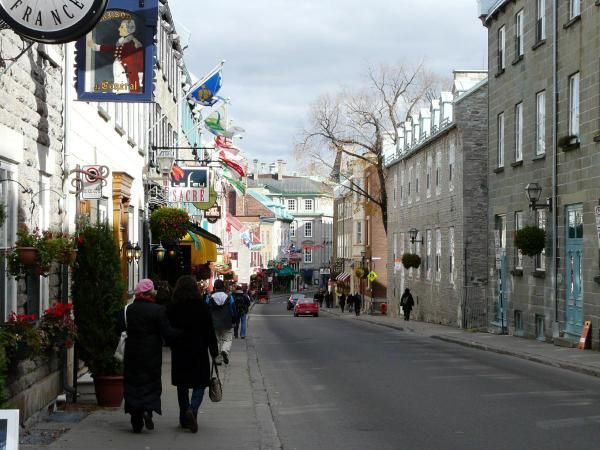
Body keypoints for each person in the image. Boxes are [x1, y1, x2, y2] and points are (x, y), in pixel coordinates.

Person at [117, 279, 181, 433]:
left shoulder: (128, 309)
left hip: (132, 351)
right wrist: (182, 334)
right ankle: (147, 409)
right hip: (151, 352)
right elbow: (167, 332)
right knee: (150, 382)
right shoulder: (158, 310)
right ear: (151, 292)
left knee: (133, 382)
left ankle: (135, 417)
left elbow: (119, 328)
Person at [167, 276, 219, 433]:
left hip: (180, 350)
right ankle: (193, 409)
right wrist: (214, 352)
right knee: (200, 383)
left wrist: (172, 343)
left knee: (182, 385)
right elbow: (210, 331)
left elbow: (167, 329)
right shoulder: (202, 307)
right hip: (199, 350)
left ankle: (184, 418)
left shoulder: (173, 307)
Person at [87, 19, 144, 93]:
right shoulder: (123, 41)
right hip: (121, 73)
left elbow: (134, 65)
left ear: (128, 30)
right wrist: (96, 47)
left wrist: (96, 47)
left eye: (122, 27)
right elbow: (112, 48)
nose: (119, 28)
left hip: (127, 75)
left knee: (124, 90)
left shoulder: (132, 44)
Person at [206, 279, 236, 364]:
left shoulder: (209, 297)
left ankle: (218, 360)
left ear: (214, 287)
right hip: (227, 322)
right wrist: (234, 320)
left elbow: (206, 310)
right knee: (227, 339)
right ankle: (225, 350)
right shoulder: (229, 297)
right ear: (223, 286)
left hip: (214, 322)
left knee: (216, 341)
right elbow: (233, 310)